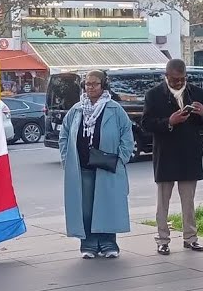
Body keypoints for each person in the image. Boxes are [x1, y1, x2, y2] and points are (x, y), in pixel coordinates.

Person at [59, 70, 134, 258]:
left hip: (107, 166)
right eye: (87, 84)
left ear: (103, 85)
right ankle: (89, 245)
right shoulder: (76, 110)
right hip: (83, 168)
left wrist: (121, 159)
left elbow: (127, 135)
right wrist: (66, 158)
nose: (90, 87)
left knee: (107, 206)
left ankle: (109, 244)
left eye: (94, 84)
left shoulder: (114, 109)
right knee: (86, 209)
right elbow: (64, 135)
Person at [140, 59, 203, 255]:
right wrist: (169, 121)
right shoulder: (154, 94)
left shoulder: (197, 92)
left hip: (189, 152)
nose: (179, 83)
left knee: (188, 200)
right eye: (175, 80)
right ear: (166, 76)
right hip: (165, 153)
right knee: (163, 201)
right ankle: (162, 239)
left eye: (182, 79)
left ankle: (190, 238)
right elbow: (146, 123)